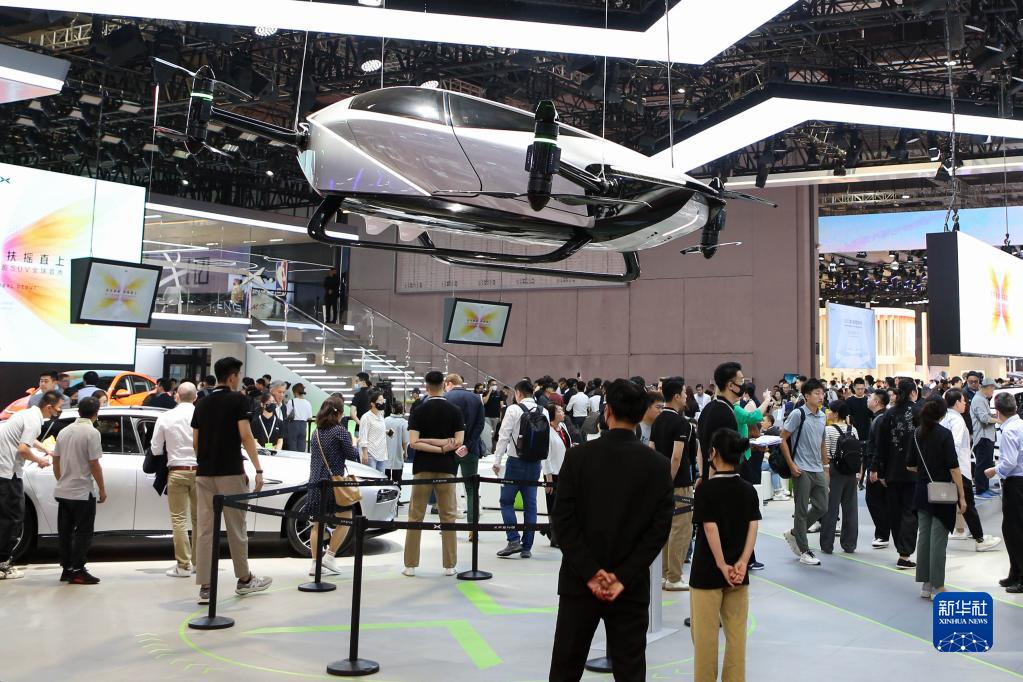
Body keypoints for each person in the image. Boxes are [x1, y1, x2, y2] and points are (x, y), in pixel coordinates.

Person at [548, 379, 673, 682]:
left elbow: (562, 521)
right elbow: (658, 530)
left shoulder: (578, 457)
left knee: (566, 666)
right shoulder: (657, 465)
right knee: (630, 668)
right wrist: (622, 576)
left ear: (607, 411)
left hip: (579, 583)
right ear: (641, 415)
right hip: (630, 586)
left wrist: (591, 572)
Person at [191, 357, 272, 604]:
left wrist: (207, 460)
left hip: (204, 473)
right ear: (233, 376)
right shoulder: (238, 400)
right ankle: (244, 579)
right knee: (236, 528)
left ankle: (206, 586)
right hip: (231, 472)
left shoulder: (201, 403)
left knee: (205, 530)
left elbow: (195, 442)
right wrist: (258, 468)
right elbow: (246, 436)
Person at [690, 428, 761, 682]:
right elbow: (753, 526)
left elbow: (710, 528)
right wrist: (742, 561)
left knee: (705, 639)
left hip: (707, 572)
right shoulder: (748, 490)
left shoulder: (706, 490)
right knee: (737, 637)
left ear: (713, 453)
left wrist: (721, 564)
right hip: (739, 575)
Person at [404, 371, 465, 577]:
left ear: (426, 387)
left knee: (415, 516)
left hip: (422, 467)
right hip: (447, 467)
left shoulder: (418, 410)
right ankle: (450, 565)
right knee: (448, 516)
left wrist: (427, 442)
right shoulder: (455, 410)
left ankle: (410, 565)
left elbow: (414, 443)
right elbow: (458, 441)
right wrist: (443, 447)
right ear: (444, 385)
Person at [907, 397, 966, 600]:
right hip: (942, 492)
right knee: (938, 539)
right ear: (942, 414)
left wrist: (925, 471)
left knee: (924, 536)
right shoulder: (944, 434)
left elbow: (910, 465)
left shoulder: (916, 433)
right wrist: (962, 496)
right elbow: (954, 468)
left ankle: (926, 584)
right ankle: (938, 586)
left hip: (922, 490)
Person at [0, 390, 59, 579]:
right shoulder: (33, 420)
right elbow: (23, 449)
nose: (58, 413)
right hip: (7, 474)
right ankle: (2, 565)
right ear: (49, 407)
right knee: (13, 518)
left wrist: (46, 450)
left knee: (8, 518)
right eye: (57, 409)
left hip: (6, 471)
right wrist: (40, 460)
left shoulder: (26, 415)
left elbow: (28, 439)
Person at [650, 378, 699, 591]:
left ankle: (664, 575)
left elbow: (652, 450)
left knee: (666, 529)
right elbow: (677, 457)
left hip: (661, 483)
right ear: (677, 396)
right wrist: (668, 482)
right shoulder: (681, 423)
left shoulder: (658, 420)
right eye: (684, 393)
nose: (686, 396)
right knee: (681, 530)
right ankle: (675, 577)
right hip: (679, 484)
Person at [51, 396, 105, 585]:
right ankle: (78, 570)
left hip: (63, 491)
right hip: (82, 491)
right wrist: (102, 489)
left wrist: (61, 479)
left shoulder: (64, 431)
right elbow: (94, 464)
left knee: (65, 532)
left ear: (79, 411)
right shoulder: (92, 433)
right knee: (83, 532)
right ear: (96, 413)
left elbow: (55, 460)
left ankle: (67, 569)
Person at [493, 379, 548, 559]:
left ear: (518, 393)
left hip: (515, 463)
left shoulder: (513, 409)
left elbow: (503, 436)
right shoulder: (544, 411)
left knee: (506, 501)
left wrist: (497, 460)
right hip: (535, 464)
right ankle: (527, 547)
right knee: (530, 505)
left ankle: (513, 540)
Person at [151, 382, 200, 578]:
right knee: (199, 519)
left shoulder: (166, 417)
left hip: (177, 471)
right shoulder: (203, 416)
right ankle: (199, 563)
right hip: (200, 472)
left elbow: (155, 449)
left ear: (177, 396)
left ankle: (183, 565)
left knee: (179, 520)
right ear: (196, 397)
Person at [872, 377, 920, 570]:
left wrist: (880, 471)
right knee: (910, 512)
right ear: (913, 393)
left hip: (891, 472)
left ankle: (901, 550)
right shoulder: (919, 412)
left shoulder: (889, 414)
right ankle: (904, 554)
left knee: (895, 512)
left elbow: (880, 445)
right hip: (914, 472)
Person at [942, 389, 1000, 550]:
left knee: (957, 504)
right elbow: (954, 446)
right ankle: (980, 539)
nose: (965, 404)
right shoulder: (957, 420)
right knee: (967, 504)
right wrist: (954, 467)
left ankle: (972, 535)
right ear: (956, 403)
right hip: (959, 469)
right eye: (963, 401)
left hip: (950, 468)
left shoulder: (944, 418)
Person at [306, 395, 358, 576]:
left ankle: (315, 564)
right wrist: (354, 443)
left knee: (316, 525)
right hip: (334, 485)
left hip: (315, 483)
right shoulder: (340, 431)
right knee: (346, 519)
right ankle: (329, 556)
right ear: (339, 413)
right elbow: (352, 455)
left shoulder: (316, 432)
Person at [779, 379, 829, 566]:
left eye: (822, 393)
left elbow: (822, 442)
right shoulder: (798, 414)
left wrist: (826, 466)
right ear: (807, 396)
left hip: (817, 468)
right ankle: (804, 550)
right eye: (817, 393)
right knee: (800, 511)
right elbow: (782, 439)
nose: (821, 396)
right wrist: (791, 464)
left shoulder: (822, 416)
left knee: (822, 506)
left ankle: (795, 533)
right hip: (801, 468)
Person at [984, 393, 1023, 593]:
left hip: (1016, 483)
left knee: (1014, 530)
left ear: (997, 412)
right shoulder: (1020, 425)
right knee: (1012, 529)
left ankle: (1020, 577)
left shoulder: (1009, 431)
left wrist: (994, 470)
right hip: (1019, 483)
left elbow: (1009, 462)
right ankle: (1015, 573)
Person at [443, 374, 485, 533]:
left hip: (448, 450)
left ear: (449, 383)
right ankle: (473, 527)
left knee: (447, 488)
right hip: (470, 450)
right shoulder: (476, 399)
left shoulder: (445, 398)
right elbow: (480, 425)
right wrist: (467, 445)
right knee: (471, 489)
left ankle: (447, 525)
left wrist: (450, 444)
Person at [819, 400, 859, 554]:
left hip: (834, 471)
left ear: (835, 414)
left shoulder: (828, 430)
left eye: (830, 410)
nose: (828, 413)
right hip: (851, 471)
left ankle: (827, 544)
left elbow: (826, 454)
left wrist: (825, 472)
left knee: (831, 508)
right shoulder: (853, 429)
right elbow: (857, 452)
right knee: (851, 509)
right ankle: (849, 544)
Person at [697, 363, 743, 485]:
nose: (743, 385)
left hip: (708, 479)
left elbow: (701, 448)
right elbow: (716, 453)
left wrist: (702, 475)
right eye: (741, 381)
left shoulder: (708, 408)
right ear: (731, 385)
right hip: (721, 483)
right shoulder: (724, 413)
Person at [864, 389, 891, 549]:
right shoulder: (882, 417)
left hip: (878, 467)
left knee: (874, 500)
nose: (868, 399)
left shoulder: (880, 420)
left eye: (870, 398)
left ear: (877, 402)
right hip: (881, 466)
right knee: (880, 500)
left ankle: (882, 534)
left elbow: (878, 447)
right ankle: (883, 532)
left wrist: (874, 469)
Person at [543, 403, 573, 548]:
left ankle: (557, 533)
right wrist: (548, 476)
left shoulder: (563, 427)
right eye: (559, 411)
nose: (563, 412)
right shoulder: (547, 431)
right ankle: (554, 536)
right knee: (553, 505)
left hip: (565, 471)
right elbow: (546, 456)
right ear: (552, 414)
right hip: (553, 473)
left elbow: (567, 445)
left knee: (564, 505)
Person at [971, 378, 998, 498]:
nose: (993, 391)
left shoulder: (983, 399)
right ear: (988, 387)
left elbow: (985, 415)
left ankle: (985, 487)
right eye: (992, 388)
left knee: (987, 464)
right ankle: (981, 490)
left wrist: (993, 416)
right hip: (983, 436)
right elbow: (984, 418)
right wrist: (998, 420)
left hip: (987, 436)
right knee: (982, 464)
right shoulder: (978, 399)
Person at [358, 389, 388, 472]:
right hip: (371, 453)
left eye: (383, 400)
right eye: (380, 401)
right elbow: (363, 436)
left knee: (381, 478)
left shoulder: (381, 415)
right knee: (372, 478)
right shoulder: (366, 417)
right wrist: (365, 454)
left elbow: (376, 430)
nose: (382, 402)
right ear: (372, 403)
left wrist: (387, 432)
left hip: (382, 453)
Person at [384, 401, 409, 484]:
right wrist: (405, 453)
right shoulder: (404, 422)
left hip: (385, 454)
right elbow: (405, 441)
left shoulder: (385, 420)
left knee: (385, 479)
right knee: (397, 480)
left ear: (392, 409)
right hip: (398, 453)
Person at [285, 383, 313, 452]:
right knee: (302, 446)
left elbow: (287, 414)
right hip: (303, 425)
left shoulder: (291, 401)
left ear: (295, 392)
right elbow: (309, 417)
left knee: (292, 446)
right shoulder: (307, 403)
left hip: (293, 425)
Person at [482, 380, 504, 455]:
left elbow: (501, 406)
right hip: (487, 416)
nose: (495, 386)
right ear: (489, 385)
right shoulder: (485, 393)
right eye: (493, 384)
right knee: (488, 434)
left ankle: (494, 450)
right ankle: (487, 450)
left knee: (495, 434)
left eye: (496, 384)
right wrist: (489, 392)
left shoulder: (499, 394)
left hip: (496, 416)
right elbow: (484, 402)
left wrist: (500, 417)